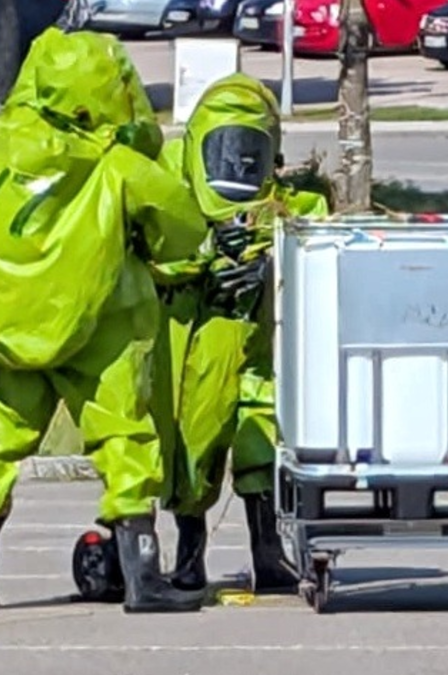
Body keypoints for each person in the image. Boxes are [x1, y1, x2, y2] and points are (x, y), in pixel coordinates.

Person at [0, 26, 212, 614]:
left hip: (13, 324)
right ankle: (142, 580)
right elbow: (183, 224)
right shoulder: (115, 164)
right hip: (99, 328)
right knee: (124, 437)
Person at [150, 73, 330, 595]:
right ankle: (190, 556)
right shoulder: (170, 188)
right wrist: (206, 256)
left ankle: (268, 555)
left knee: (262, 438)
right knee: (194, 440)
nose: (235, 165)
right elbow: (150, 251)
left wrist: (270, 265)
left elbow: (321, 256)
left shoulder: (295, 205)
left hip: (263, 342)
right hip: (199, 337)